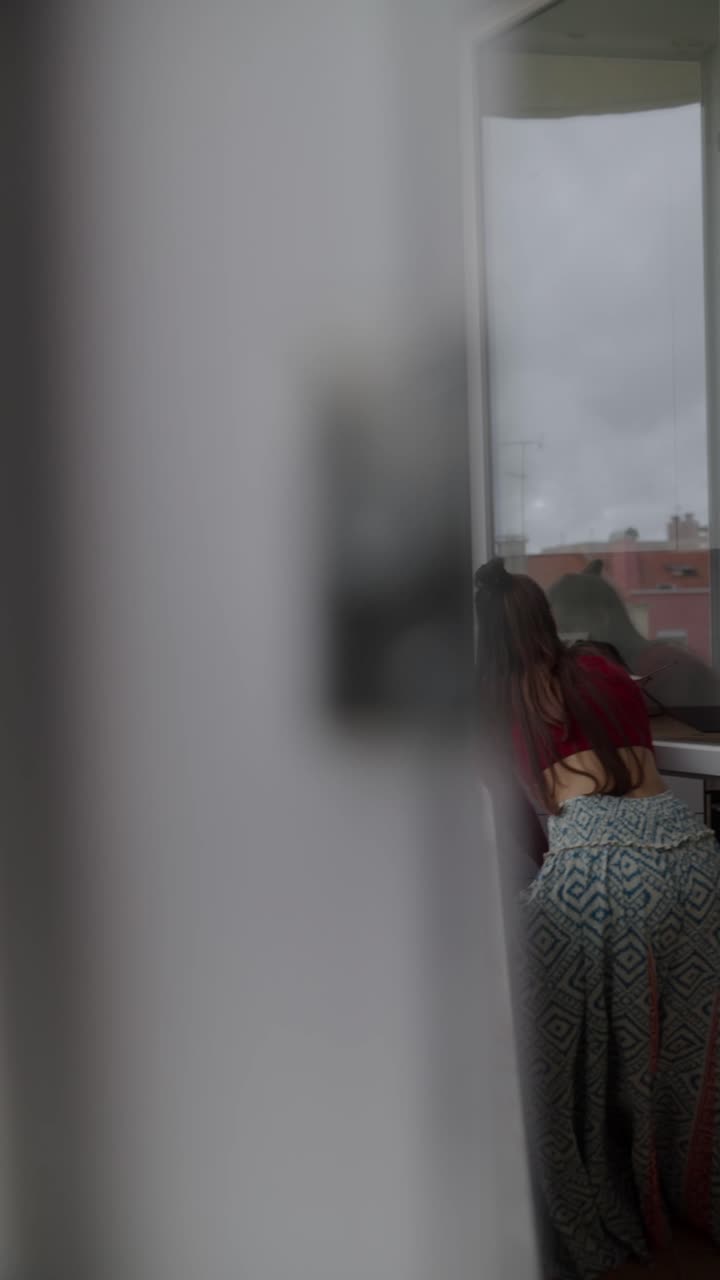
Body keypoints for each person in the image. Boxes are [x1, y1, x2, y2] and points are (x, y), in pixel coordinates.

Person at [474, 557, 720, 1280]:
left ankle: (614, 1206)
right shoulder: (604, 669)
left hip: (607, 874)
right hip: (697, 860)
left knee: (568, 1061)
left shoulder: (500, 704)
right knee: (692, 1064)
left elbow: (524, 832)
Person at [547, 559, 720, 712]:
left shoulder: (664, 667)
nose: (563, 640)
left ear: (601, 618)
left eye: (567, 627)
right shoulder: (626, 668)